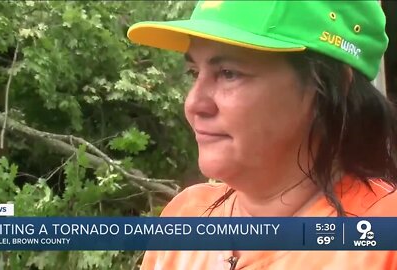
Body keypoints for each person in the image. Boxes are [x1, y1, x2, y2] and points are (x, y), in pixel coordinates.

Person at [127, 1, 397, 269]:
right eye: (194, 73)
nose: (193, 104)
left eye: (228, 73)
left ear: (329, 86)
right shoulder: (185, 216)